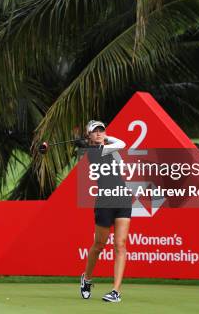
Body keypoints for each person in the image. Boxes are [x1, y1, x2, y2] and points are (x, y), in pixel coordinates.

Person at [77, 120, 131, 303]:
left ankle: (115, 291)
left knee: (120, 244)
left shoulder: (110, 148)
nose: (100, 133)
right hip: (105, 201)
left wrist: (106, 138)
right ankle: (87, 278)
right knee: (99, 245)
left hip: (122, 198)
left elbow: (120, 146)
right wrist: (107, 138)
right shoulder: (94, 152)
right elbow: (122, 143)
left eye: (102, 130)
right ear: (89, 136)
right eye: (95, 131)